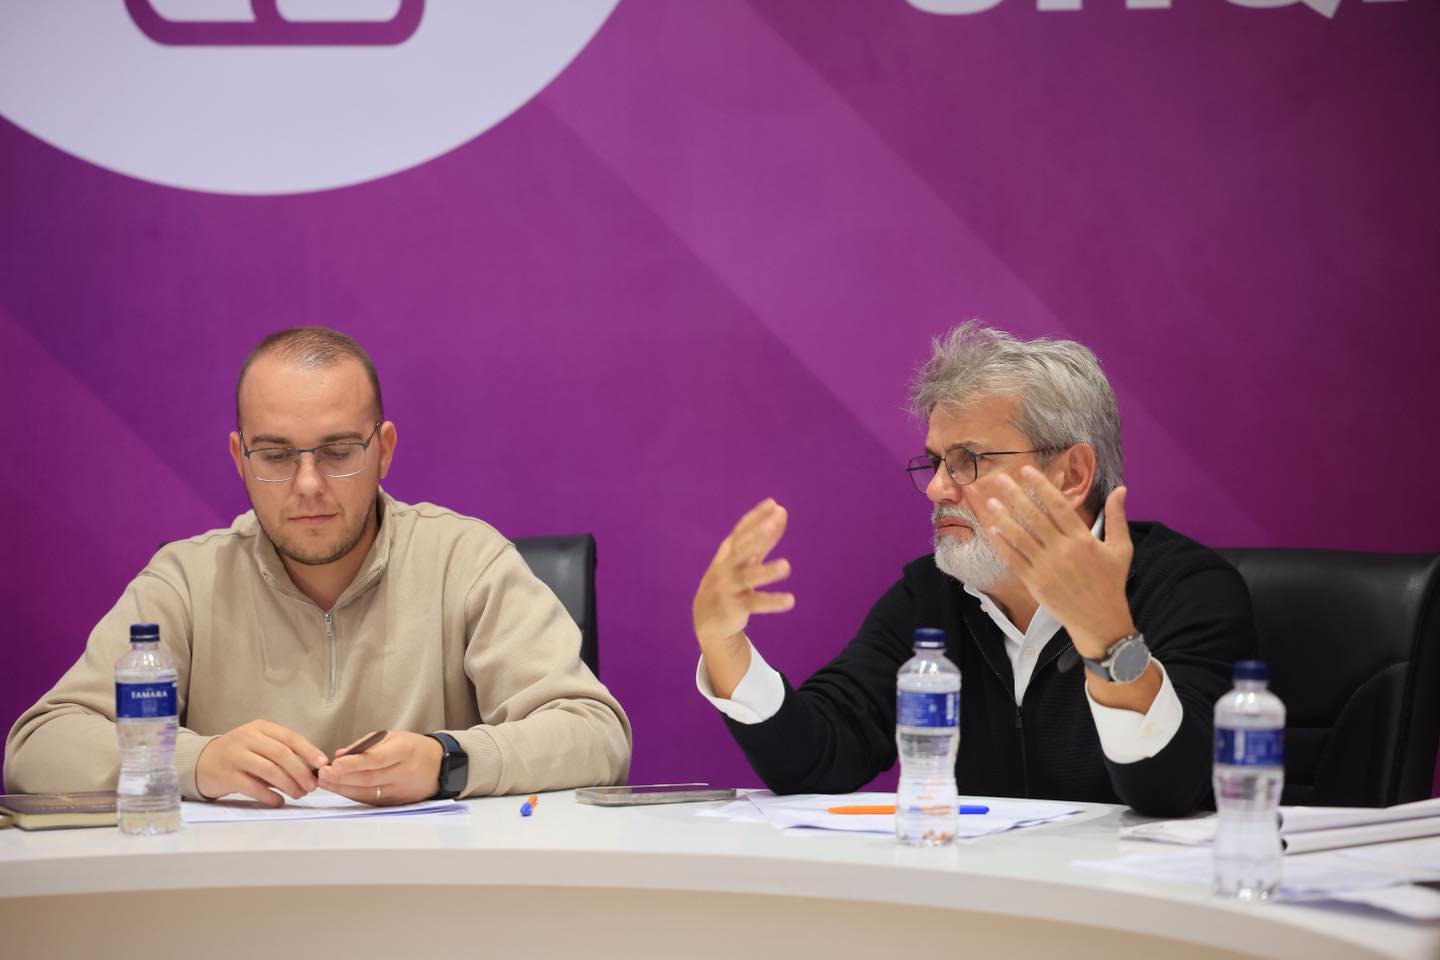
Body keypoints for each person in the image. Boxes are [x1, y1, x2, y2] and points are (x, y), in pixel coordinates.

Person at [5, 327, 630, 806]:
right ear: (239, 458)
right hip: (233, 907)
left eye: (337, 452)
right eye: (276, 455)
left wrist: (448, 761)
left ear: (383, 450)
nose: (307, 484)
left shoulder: (465, 561)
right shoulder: (187, 582)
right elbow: (39, 746)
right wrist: (196, 762)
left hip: (434, 903)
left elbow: (596, 734)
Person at [691, 322, 1256, 817]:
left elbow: (1170, 792)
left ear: (1070, 474)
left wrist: (1111, 641)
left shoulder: (1189, 589)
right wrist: (724, 644)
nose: (937, 488)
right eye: (937, 462)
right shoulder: (931, 597)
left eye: (968, 461)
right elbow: (817, 757)